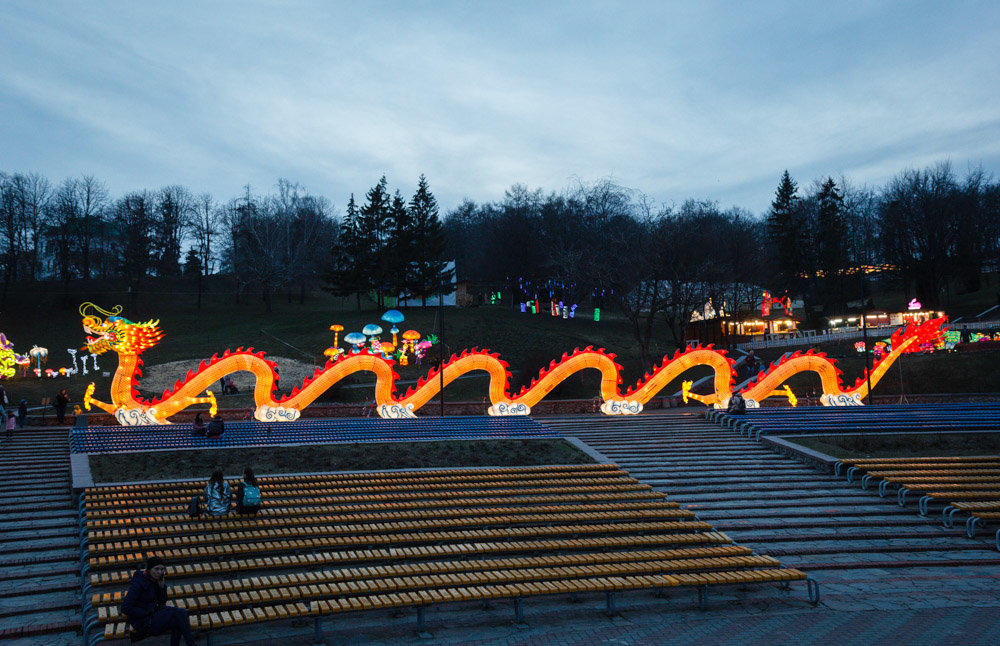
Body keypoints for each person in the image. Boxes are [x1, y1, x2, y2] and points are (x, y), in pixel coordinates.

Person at [120, 555, 196, 646]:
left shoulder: (155, 580)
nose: (160, 572)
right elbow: (125, 607)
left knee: (178, 622)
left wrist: (162, 588)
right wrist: (145, 612)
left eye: (162, 569)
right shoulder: (138, 584)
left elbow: (162, 602)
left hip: (153, 617)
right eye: (156, 569)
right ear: (149, 570)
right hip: (143, 623)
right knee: (180, 613)